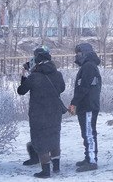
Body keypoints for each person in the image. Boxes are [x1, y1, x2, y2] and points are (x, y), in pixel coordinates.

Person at [17, 46, 65, 179]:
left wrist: (24, 75)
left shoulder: (34, 77)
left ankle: (45, 171)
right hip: (55, 112)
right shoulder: (58, 74)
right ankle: (56, 167)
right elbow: (62, 89)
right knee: (54, 138)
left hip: (39, 114)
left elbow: (21, 91)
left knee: (41, 141)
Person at [69, 42, 102, 172]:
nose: (77, 56)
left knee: (89, 133)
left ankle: (91, 160)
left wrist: (74, 102)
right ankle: (89, 156)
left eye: (79, 54)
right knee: (87, 133)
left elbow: (84, 87)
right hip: (86, 105)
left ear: (85, 53)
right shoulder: (88, 66)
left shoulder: (88, 67)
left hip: (88, 105)